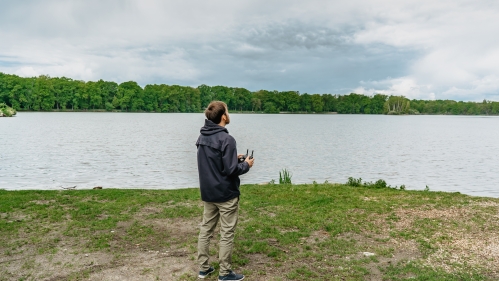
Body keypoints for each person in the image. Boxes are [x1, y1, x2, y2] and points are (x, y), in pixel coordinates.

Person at [196, 101, 254, 281]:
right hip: (225, 194)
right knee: (227, 232)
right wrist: (246, 164)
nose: (228, 114)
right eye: (227, 111)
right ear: (223, 116)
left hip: (208, 192)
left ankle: (204, 269)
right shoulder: (227, 139)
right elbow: (231, 170)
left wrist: (231, 157)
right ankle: (225, 273)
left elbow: (213, 161)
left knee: (206, 230)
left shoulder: (202, 136)